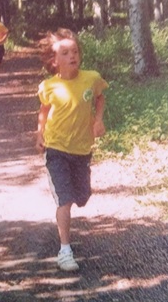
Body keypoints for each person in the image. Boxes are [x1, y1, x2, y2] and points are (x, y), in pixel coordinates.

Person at [35, 28, 108, 271]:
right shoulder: (49, 86)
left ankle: (75, 200)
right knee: (64, 200)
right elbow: (44, 110)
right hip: (56, 148)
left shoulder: (91, 78)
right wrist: (40, 133)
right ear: (54, 60)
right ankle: (65, 251)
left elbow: (99, 97)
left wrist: (98, 120)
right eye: (65, 53)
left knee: (82, 197)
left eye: (75, 51)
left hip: (82, 149)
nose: (72, 56)